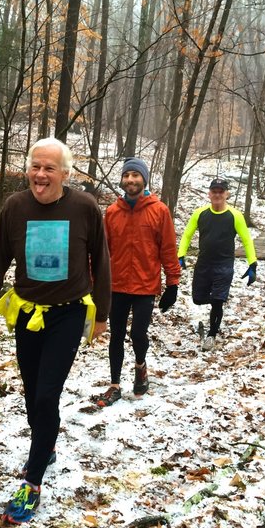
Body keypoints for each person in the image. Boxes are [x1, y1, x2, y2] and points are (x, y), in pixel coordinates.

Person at [0, 137, 111, 525]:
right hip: (28, 314)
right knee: (33, 393)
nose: (40, 175)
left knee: (47, 394)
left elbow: (102, 260)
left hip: (69, 314)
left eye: (49, 168)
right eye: (35, 166)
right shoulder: (15, 207)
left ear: (65, 173)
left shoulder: (84, 208)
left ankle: (32, 481)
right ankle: (45, 444)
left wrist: (102, 314)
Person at [94, 157, 180, 407]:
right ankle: (114, 385)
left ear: (144, 179)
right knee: (116, 335)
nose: (130, 180)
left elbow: (168, 249)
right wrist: (93, 282)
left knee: (138, 333)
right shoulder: (112, 212)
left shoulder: (159, 210)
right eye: (127, 176)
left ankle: (140, 365)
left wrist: (172, 283)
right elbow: (101, 252)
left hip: (145, 285)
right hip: (116, 284)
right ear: (122, 180)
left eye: (135, 175)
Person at [177, 177, 257, 351]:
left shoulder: (235, 216)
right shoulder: (200, 213)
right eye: (214, 191)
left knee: (217, 302)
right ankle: (218, 302)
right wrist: (180, 255)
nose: (217, 194)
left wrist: (253, 264)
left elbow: (247, 240)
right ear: (209, 193)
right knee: (197, 299)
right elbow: (187, 235)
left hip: (224, 265)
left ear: (226, 194)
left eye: (221, 191)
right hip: (204, 263)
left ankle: (212, 334)